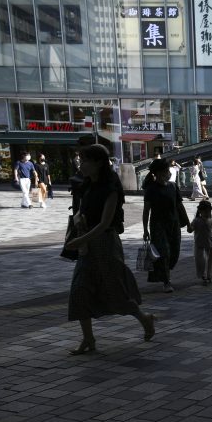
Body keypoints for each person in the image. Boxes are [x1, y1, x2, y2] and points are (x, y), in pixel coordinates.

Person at [64, 144, 155, 355]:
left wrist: (79, 241)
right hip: (87, 245)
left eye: (85, 160)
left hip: (105, 243)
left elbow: (105, 223)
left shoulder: (111, 188)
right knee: (79, 290)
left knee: (115, 290)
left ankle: (144, 318)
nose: (81, 164)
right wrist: (78, 220)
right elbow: (79, 212)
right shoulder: (86, 185)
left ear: (98, 163)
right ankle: (88, 338)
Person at [142, 158, 187, 293]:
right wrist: (145, 230)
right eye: (165, 171)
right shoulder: (151, 189)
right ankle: (166, 281)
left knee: (174, 252)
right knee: (164, 252)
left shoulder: (173, 186)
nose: (168, 173)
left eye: (168, 170)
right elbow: (146, 211)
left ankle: (165, 273)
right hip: (158, 225)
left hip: (173, 223)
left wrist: (189, 223)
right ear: (157, 173)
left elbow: (180, 206)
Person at [188, 200, 212, 285]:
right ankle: (203, 275)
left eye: (209, 211)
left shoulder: (211, 221)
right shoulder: (196, 220)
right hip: (199, 246)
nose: (207, 213)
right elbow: (190, 229)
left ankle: (208, 275)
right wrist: (189, 227)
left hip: (210, 245)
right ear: (200, 211)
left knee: (210, 261)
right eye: (205, 211)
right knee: (201, 261)